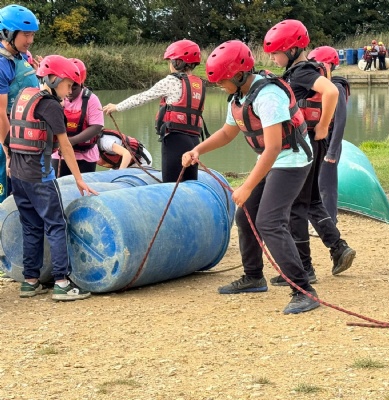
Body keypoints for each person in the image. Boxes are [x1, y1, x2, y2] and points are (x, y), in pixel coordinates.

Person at [182, 40, 320, 315]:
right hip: (271, 160)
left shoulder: (268, 96)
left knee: (270, 221)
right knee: (245, 217)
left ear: (238, 75)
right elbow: (227, 133)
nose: (220, 85)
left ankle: (304, 290)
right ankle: (254, 277)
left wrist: (246, 186)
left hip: (291, 161)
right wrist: (197, 149)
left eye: (222, 81)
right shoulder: (238, 96)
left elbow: (273, 148)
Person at [264, 20, 356, 286]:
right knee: (312, 200)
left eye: (276, 52)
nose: (272, 57)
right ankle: (338, 247)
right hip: (312, 143)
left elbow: (331, 92)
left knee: (296, 206)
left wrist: (324, 126)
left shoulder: (302, 71)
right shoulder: (300, 71)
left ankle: (304, 268)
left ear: (292, 50)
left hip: (308, 143)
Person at [9, 55, 98, 301]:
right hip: (39, 176)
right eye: (68, 85)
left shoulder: (24, 96)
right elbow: (65, 146)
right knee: (56, 224)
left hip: (17, 176)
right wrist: (79, 179)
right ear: (55, 79)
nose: (69, 91)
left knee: (31, 226)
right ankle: (61, 282)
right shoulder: (51, 105)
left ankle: (30, 281)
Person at [103, 39, 206, 183]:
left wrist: (117, 107)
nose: (169, 64)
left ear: (177, 62)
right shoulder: (199, 84)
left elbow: (143, 97)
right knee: (190, 183)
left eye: (170, 61)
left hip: (175, 139)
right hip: (194, 140)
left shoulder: (171, 81)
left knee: (170, 184)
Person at [0, 4, 40, 199]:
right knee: (6, 194)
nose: (30, 40)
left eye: (32, 34)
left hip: (24, 132)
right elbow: (0, 113)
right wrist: (10, 153)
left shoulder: (19, 55)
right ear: (8, 33)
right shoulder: (1, 64)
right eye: (25, 34)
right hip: (7, 138)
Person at [307, 46, 350, 224]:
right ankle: (320, 221)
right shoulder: (321, 86)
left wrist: (331, 152)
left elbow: (340, 121)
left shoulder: (337, 87)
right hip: (320, 142)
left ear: (329, 65)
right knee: (316, 184)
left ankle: (330, 222)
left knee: (327, 186)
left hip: (330, 143)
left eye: (319, 64)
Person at [51, 58, 104, 177]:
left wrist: (72, 141)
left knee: (83, 186)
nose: (70, 92)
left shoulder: (91, 99)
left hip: (85, 156)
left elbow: (97, 126)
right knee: (58, 184)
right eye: (67, 86)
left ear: (81, 84)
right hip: (60, 154)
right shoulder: (56, 97)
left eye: (74, 88)